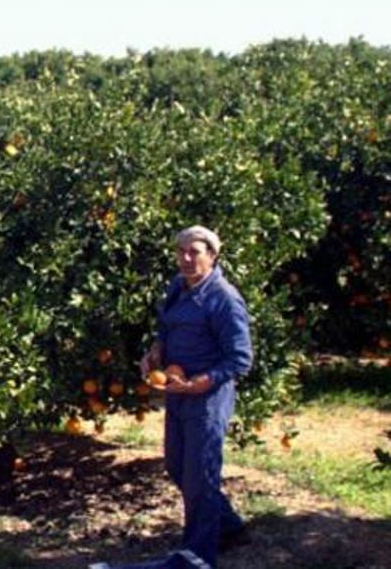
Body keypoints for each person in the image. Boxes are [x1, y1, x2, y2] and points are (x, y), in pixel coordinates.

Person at [139, 225, 253, 567]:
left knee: (199, 476)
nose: (187, 259)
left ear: (212, 256)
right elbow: (166, 327)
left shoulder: (224, 298)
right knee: (177, 466)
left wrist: (202, 382)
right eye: (181, 252)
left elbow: (240, 358)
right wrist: (156, 351)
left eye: (195, 252)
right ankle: (230, 527)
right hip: (178, 391)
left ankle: (197, 556)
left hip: (207, 398)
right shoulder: (178, 287)